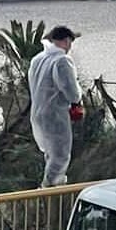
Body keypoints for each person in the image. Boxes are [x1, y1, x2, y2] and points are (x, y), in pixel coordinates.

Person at [28, 26, 83, 186]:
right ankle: (51, 190)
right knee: (60, 155)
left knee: (49, 154)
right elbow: (72, 92)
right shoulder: (62, 61)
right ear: (66, 41)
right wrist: (78, 99)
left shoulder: (38, 59)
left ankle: (49, 186)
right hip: (55, 115)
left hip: (38, 112)